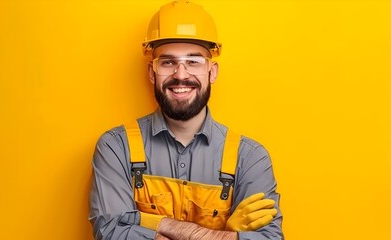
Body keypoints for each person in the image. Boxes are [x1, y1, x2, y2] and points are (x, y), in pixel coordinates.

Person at [88, 1, 283, 239]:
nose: (181, 75)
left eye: (193, 61)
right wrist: (223, 234)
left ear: (212, 72)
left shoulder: (250, 158)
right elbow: (111, 233)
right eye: (168, 62)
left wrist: (150, 223)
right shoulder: (116, 147)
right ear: (152, 72)